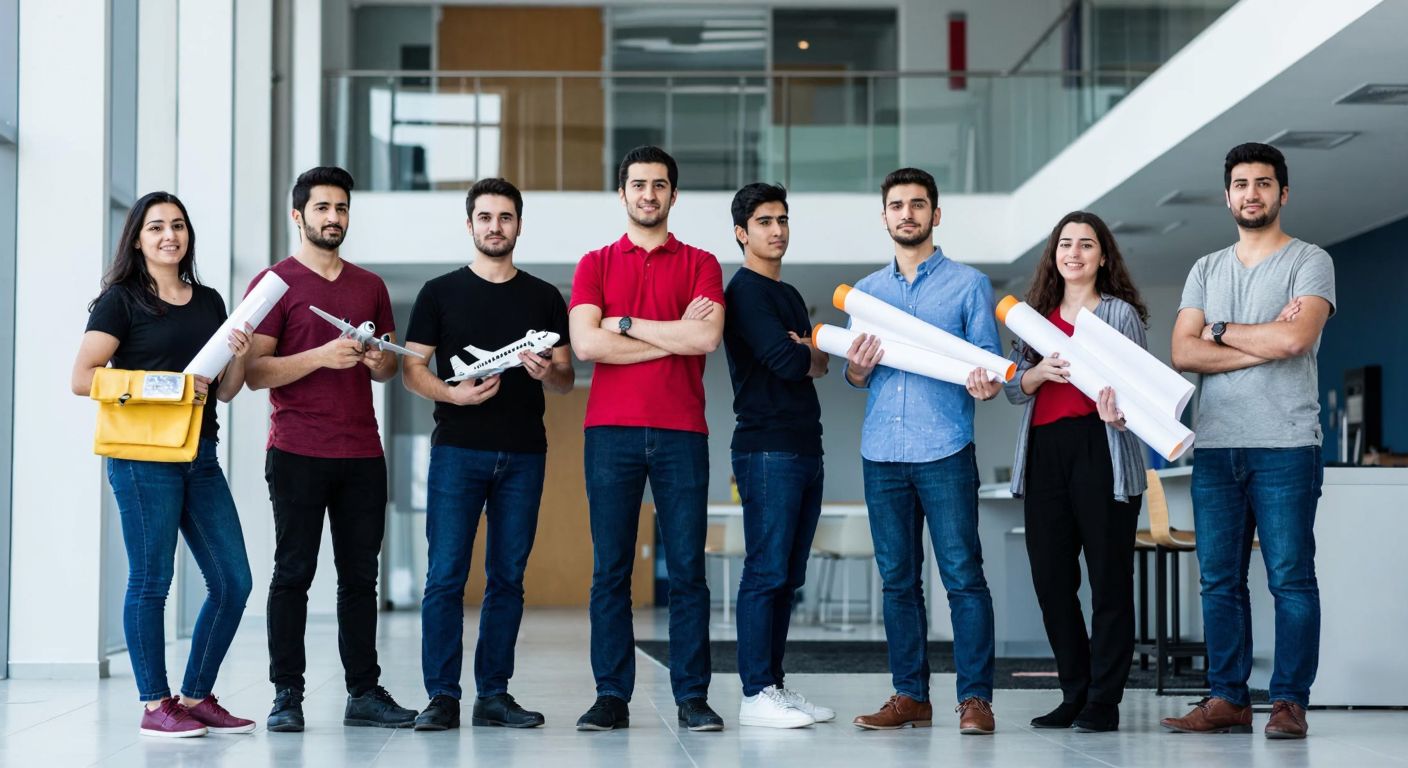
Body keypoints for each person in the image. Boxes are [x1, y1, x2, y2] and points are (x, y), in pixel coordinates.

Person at [1163, 142, 1334, 739]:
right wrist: (1253, 338)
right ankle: (1228, 698)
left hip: (1286, 443)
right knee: (1218, 579)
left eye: (1263, 183)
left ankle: (1288, 701)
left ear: (1282, 193)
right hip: (1215, 446)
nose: (1252, 193)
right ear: (1227, 195)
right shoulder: (1206, 269)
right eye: (1240, 184)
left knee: (1289, 576)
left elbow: (1296, 341)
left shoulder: (1310, 261)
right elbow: (1184, 352)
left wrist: (1219, 333)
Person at [71, 191, 256, 738]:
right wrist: (172, 387)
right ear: (137, 238)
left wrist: (239, 350)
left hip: (199, 456)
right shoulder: (120, 301)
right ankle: (155, 704)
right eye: (156, 227)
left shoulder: (210, 301)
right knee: (151, 581)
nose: (169, 235)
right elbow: (83, 378)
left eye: (178, 226)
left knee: (233, 582)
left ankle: (195, 696)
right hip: (141, 458)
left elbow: (225, 392)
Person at [245, 166, 417, 732]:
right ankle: (286, 696)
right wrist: (320, 356)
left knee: (360, 578)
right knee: (292, 572)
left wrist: (375, 360)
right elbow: (254, 373)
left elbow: (390, 366)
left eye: (341, 208)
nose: (333, 218)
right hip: (296, 449)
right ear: (299, 216)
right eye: (322, 208)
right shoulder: (274, 283)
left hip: (362, 453)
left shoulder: (370, 286)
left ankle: (363, 693)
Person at [402, 178, 573, 731]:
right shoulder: (438, 293)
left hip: (524, 455)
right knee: (445, 577)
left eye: (505, 217)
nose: (495, 226)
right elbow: (411, 370)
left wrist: (551, 372)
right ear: (470, 224)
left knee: (508, 578)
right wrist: (452, 393)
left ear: (519, 225)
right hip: (457, 451)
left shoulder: (546, 297)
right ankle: (442, 697)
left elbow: (568, 379)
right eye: (485, 217)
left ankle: (494, 694)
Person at [568, 146, 726, 732]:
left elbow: (706, 340)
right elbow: (587, 346)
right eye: (638, 184)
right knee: (610, 569)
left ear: (673, 195)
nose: (648, 194)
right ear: (623, 194)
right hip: (609, 432)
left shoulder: (703, 262)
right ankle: (611, 696)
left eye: (659, 185)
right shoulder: (595, 263)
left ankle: (692, 696)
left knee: (687, 569)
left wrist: (627, 323)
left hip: (682, 430)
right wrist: (675, 333)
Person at [846, 167, 1003, 735]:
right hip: (882, 450)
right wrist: (857, 371)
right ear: (885, 216)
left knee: (962, 576)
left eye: (917, 204)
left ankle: (976, 699)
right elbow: (857, 375)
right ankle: (910, 695)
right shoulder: (865, 293)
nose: (907, 213)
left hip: (945, 448)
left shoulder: (968, 285)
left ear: (936, 215)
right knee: (898, 581)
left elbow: (986, 362)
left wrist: (985, 382)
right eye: (896, 205)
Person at [1004, 211, 1149, 733]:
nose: (1075, 253)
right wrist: (1035, 374)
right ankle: (1075, 691)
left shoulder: (1120, 314)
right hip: (1045, 452)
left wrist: (1121, 411)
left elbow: (1140, 391)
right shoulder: (1034, 315)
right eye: (1066, 244)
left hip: (1102, 450)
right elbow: (1010, 385)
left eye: (1086, 245)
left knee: (1109, 581)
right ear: (1055, 254)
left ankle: (1103, 702)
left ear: (1102, 256)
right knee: (1051, 579)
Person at [722, 183, 833, 729]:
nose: (777, 229)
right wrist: (805, 351)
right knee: (765, 571)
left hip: (804, 445)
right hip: (766, 448)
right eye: (765, 221)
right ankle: (753, 693)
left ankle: (775, 685)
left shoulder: (787, 294)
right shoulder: (742, 292)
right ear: (743, 232)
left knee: (789, 575)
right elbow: (791, 362)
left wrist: (805, 351)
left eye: (783, 220)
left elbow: (818, 362)